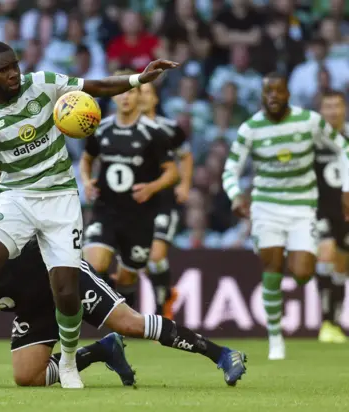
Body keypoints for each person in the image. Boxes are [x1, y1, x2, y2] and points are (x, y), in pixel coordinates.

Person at [0, 39, 178, 388]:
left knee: (65, 290)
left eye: (14, 64)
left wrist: (139, 79)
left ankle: (70, 363)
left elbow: (96, 87)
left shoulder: (42, 82)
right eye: (3, 70)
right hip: (16, 198)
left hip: (60, 198)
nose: (13, 73)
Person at [0, 241, 247, 388]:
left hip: (59, 273)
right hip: (32, 304)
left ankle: (221, 354)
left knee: (131, 323)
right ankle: (102, 351)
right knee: (27, 376)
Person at [222, 72, 349, 360]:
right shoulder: (250, 128)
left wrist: (346, 188)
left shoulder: (309, 121)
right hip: (266, 206)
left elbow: (344, 148)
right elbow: (230, 170)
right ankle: (275, 338)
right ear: (262, 96)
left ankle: (301, 283)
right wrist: (235, 195)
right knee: (272, 266)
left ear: (288, 94)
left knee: (303, 272)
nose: (273, 97)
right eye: (268, 92)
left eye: (278, 91)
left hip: (303, 207)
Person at [80, 70, 179, 310]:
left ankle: (121, 327)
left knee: (126, 280)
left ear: (138, 97)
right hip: (105, 212)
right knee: (94, 266)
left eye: (130, 92)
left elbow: (172, 172)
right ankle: (105, 318)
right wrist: (87, 181)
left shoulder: (153, 133)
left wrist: (152, 187)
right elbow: (87, 159)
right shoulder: (100, 128)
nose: (125, 97)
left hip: (139, 217)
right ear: (112, 96)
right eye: (120, 92)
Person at [139, 82, 193, 319]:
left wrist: (185, 184)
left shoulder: (170, 128)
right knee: (141, 261)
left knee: (156, 255)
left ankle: (161, 309)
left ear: (156, 99)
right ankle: (166, 292)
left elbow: (186, 156)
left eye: (148, 92)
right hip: (136, 203)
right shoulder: (125, 128)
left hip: (163, 200)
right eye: (139, 92)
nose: (142, 97)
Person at [314, 90, 349, 343]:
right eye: (328, 107)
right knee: (326, 253)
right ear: (321, 110)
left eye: (337, 106)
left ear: (344, 109)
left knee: (341, 265)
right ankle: (326, 321)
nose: (333, 111)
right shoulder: (313, 138)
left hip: (346, 212)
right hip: (320, 209)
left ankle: (334, 322)